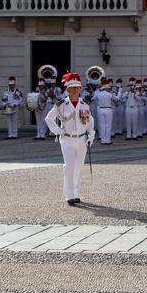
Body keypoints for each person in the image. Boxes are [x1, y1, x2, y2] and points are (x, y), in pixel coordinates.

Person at [45, 72, 95, 206]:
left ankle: (76, 193)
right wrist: (58, 131)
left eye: (77, 88)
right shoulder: (61, 104)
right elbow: (49, 118)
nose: (75, 90)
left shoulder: (84, 104)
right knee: (70, 166)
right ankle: (69, 194)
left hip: (81, 140)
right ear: (68, 90)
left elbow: (89, 122)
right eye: (72, 88)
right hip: (67, 139)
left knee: (79, 167)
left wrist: (91, 135)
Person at [94, 78, 115, 145]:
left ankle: (103, 140)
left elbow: (92, 99)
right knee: (108, 125)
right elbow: (117, 99)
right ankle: (107, 140)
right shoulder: (109, 94)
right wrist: (120, 92)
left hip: (100, 109)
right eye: (108, 88)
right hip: (108, 109)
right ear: (106, 88)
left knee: (102, 125)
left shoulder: (98, 94)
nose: (109, 89)